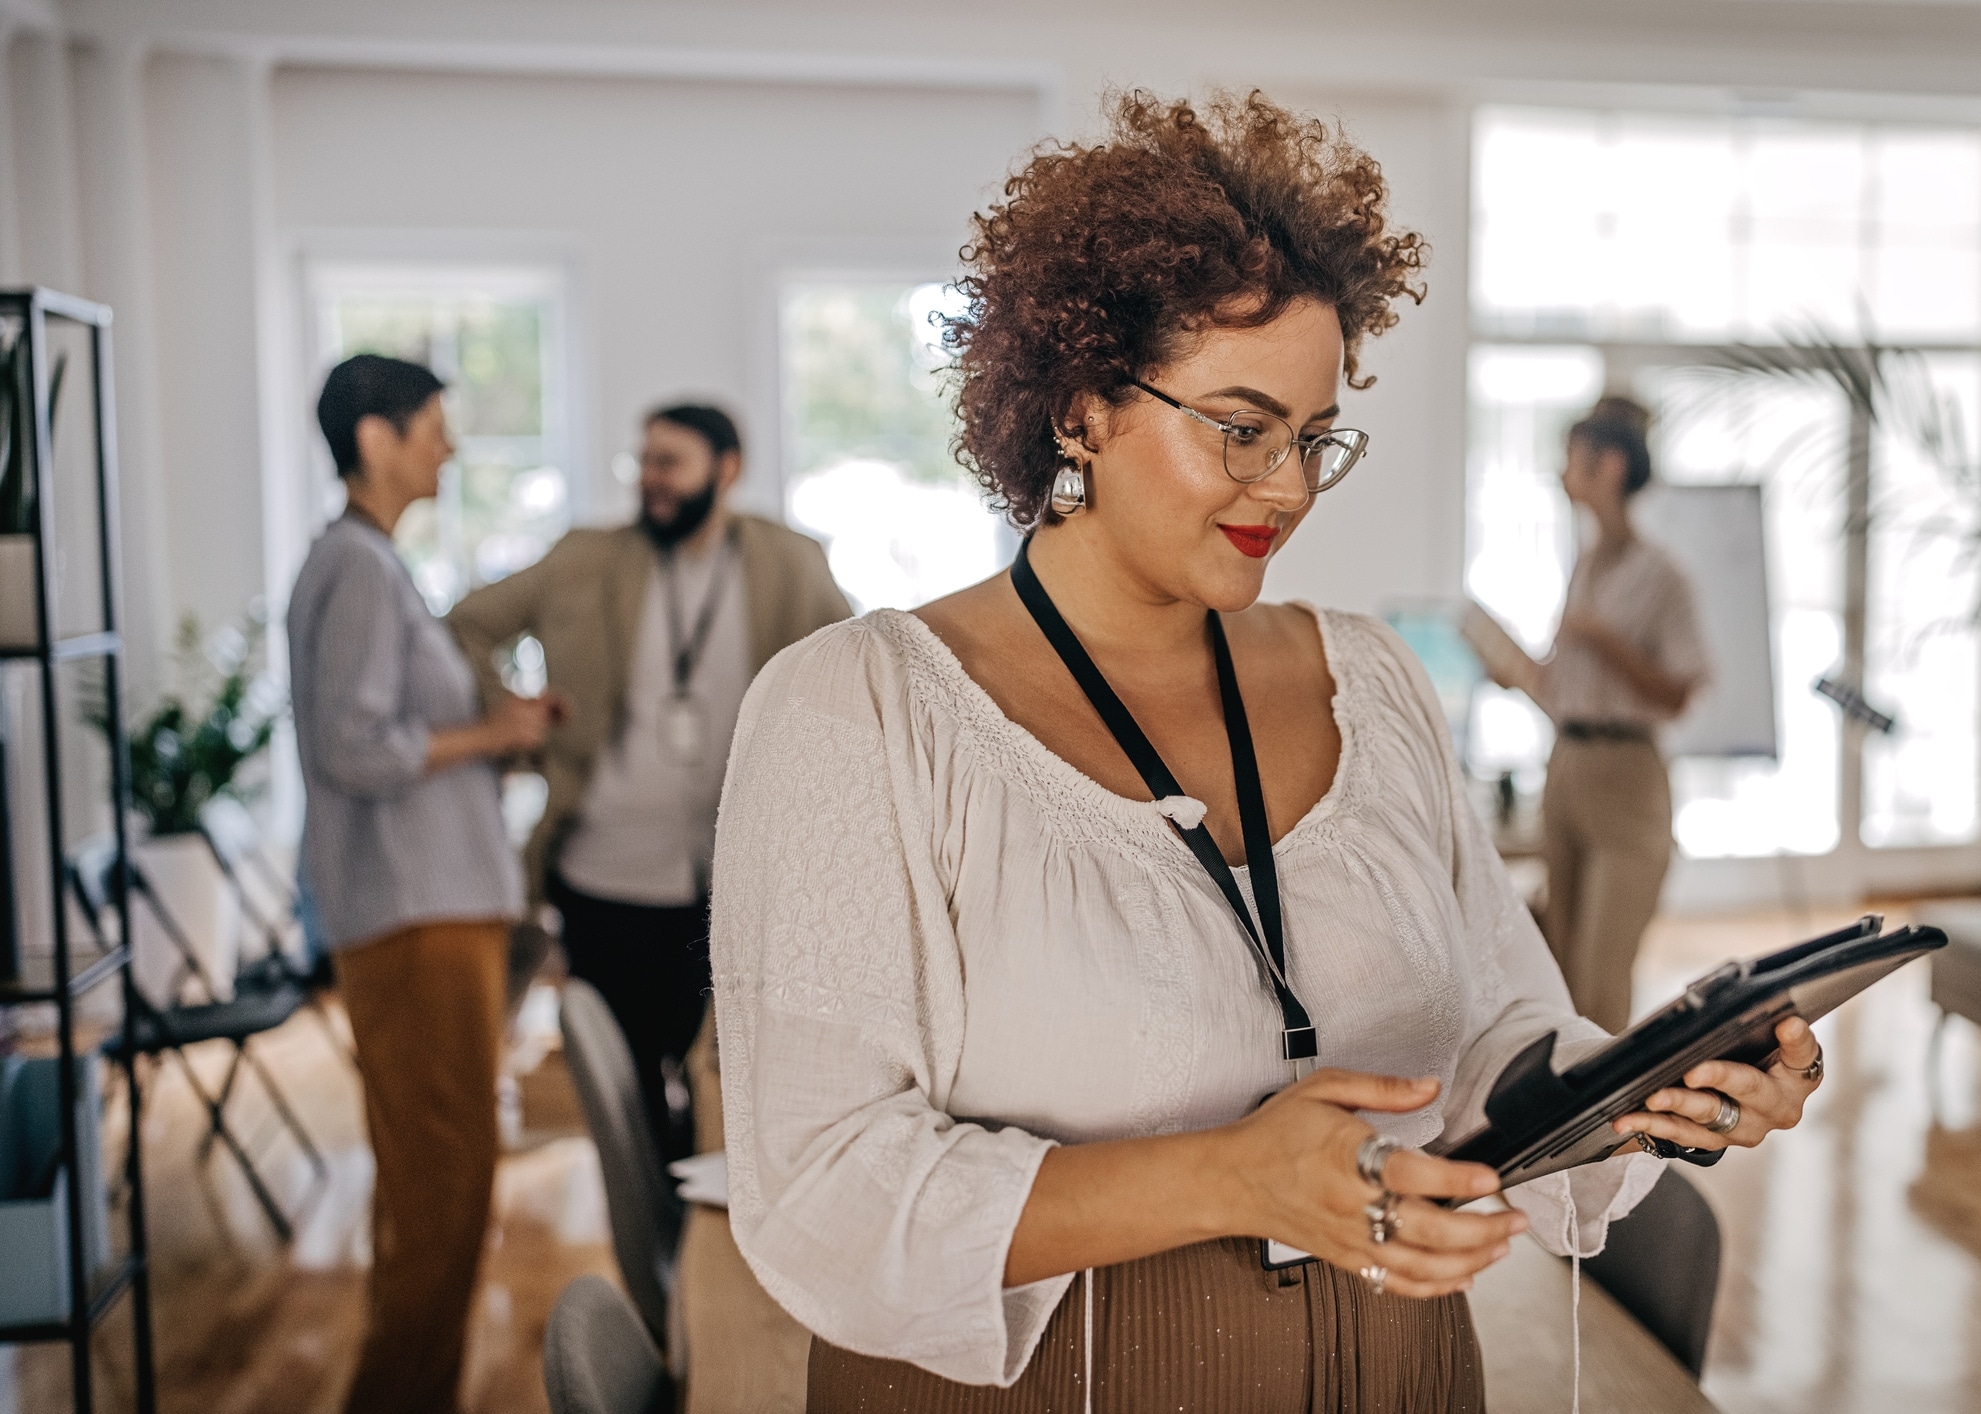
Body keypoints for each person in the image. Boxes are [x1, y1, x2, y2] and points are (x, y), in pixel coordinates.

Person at [712, 93, 1820, 1412]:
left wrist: (1633, 1086)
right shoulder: (857, 711)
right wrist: (1227, 1176)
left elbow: (1494, 1026)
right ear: (1078, 410)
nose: (1289, 487)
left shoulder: (1372, 682)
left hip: (1404, 1369)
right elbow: (822, 1186)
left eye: (1312, 437)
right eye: (1239, 428)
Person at [448, 402, 848, 1164]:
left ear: (726, 470)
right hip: (606, 876)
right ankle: (647, 1239)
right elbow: (464, 624)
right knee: (624, 1093)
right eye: (645, 462)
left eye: (671, 462)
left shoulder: (789, 562)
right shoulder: (584, 559)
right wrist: (508, 714)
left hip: (739, 879)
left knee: (731, 1086)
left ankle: (705, 1253)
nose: (652, 480)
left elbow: (857, 666)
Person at [287, 353, 564, 1414]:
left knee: (439, 1182)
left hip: (431, 906)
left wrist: (499, 739)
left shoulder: (369, 563)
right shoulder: (356, 567)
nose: (449, 446)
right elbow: (354, 743)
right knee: (442, 1187)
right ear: (376, 438)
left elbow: (386, 734)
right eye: (434, 426)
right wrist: (490, 731)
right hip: (413, 913)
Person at [1477, 396, 1709, 1034]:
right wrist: (1514, 671)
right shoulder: (1585, 564)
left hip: (1627, 773)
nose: (1561, 473)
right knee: (1557, 957)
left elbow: (1679, 693)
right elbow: (1564, 687)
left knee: (1602, 972)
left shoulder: (1663, 575)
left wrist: (1604, 640)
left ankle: (1605, 1124)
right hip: (1568, 760)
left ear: (1607, 466)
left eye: (1571, 459)